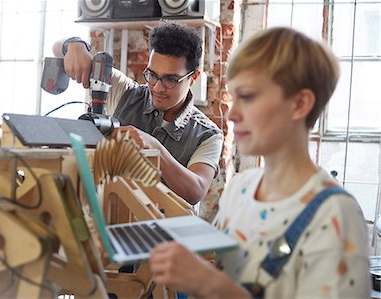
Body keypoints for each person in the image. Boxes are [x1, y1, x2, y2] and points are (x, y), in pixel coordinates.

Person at [148, 27, 371, 298]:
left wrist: (211, 285)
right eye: (233, 97)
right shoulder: (240, 190)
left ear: (300, 104)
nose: (232, 114)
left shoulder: (335, 215)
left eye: (249, 97)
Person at [53, 22, 223, 206]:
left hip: (163, 229)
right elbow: (57, 48)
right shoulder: (123, 91)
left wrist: (154, 146)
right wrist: (74, 45)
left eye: (171, 80)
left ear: (193, 78)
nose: (157, 87)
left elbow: (195, 190)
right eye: (152, 75)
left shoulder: (208, 135)